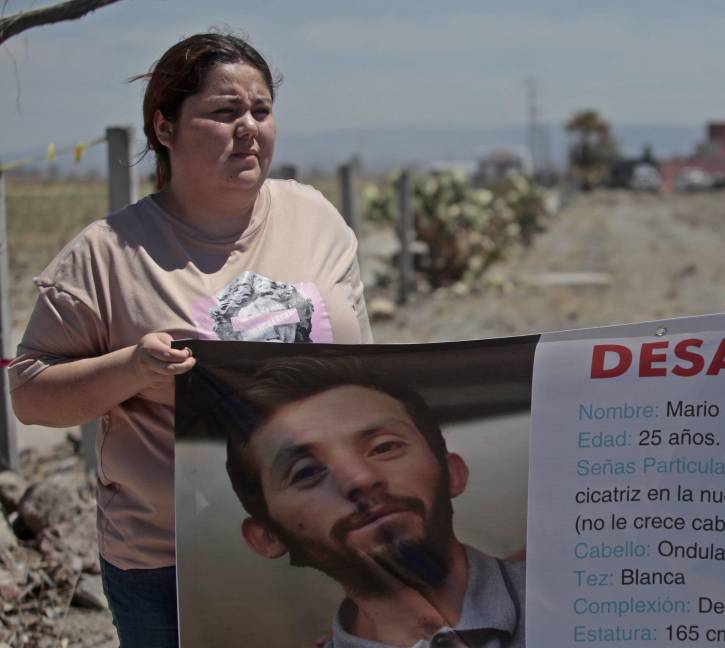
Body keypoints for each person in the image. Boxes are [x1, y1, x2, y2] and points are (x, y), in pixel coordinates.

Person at [7, 33, 372, 647]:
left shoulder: (317, 220)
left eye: (261, 110)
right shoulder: (106, 254)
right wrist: (131, 368)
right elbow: (30, 394)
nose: (249, 128)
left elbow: (371, 372)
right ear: (165, 127)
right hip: (169, 565)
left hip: (325, 539)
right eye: (225, 112)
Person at [222, 357, 525, 648]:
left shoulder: (567, 584)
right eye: (307, 472)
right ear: (268, 537)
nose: (359, 480)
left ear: (452, 473)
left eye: (384, 447)